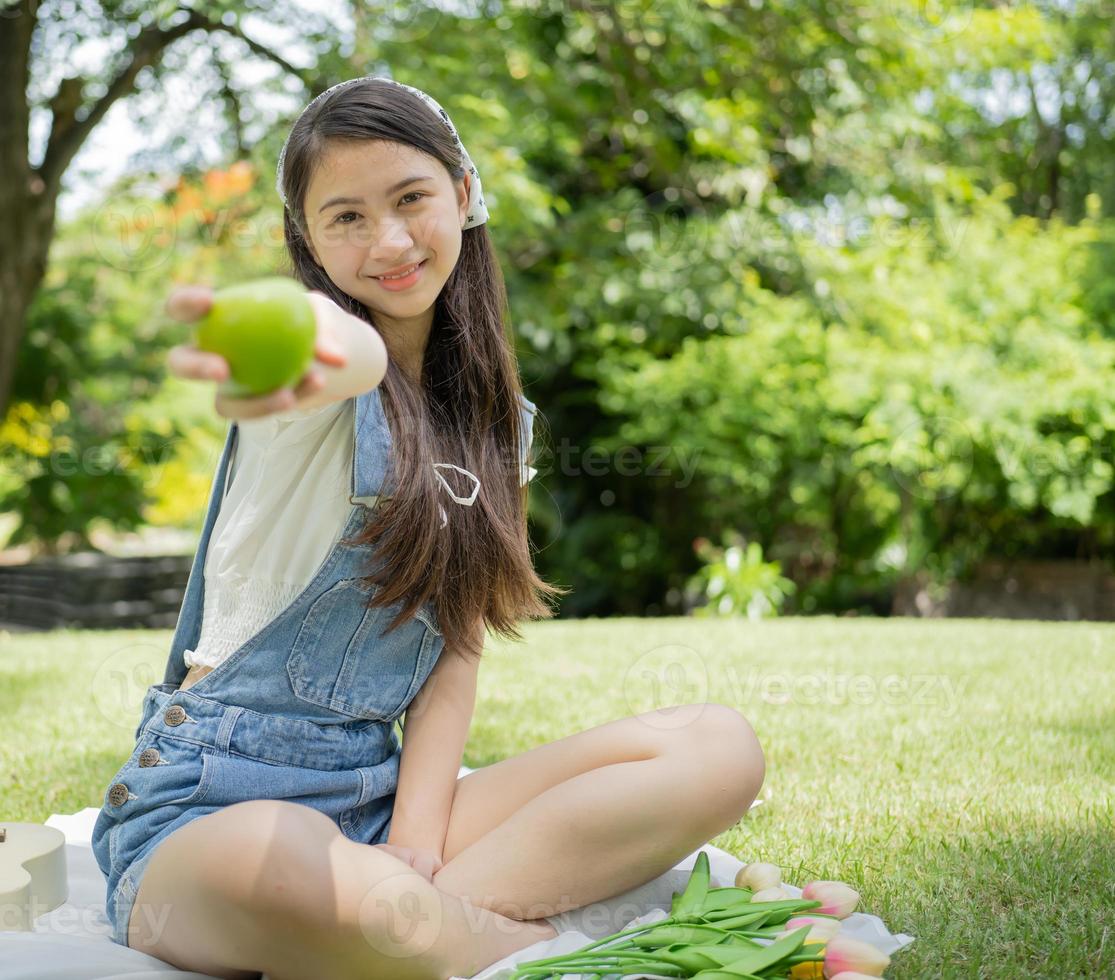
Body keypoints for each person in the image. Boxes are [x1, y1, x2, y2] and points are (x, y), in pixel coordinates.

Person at [89, 75, 766, 980]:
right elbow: (342, 345)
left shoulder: (499, 424)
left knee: (717, 746)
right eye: (347, 219)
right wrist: (314, 341)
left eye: (411, 199)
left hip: (374, 805)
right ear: (309, 243)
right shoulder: (310, 378)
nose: (391, 242)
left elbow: (453, 655)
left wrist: (412, 841)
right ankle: (539, 953)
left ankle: (408, 918)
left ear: (465, 192)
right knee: (283, 852)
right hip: (207, 816)